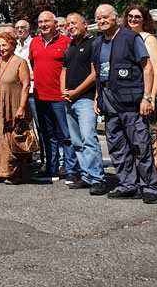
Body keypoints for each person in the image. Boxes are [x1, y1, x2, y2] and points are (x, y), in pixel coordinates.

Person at [93, 5, 157, 204]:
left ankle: (151, 187)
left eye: (105, 17)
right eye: (98, 18)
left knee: (140, 145)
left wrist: (147, 97)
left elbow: (147, 68)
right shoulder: (97, 43)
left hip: (130, 100)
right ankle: (127, 185)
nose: (102, 20)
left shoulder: (131, 38)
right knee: (116, 146)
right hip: (108, 100)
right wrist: (98, 97)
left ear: (115, 18)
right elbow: (99, 73)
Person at [28, 11, 79, 182]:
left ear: (55, 23)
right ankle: (51, 168)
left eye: (46, 21)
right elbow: (34, 66)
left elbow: (71, 68)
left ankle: (71, 170)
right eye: (40, 22)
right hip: (40, 96)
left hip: (59, 96)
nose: (43, 25)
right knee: (46, 134)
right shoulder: (34, 42)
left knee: (66, 135)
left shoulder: (67, 42)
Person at [123, 4, 157, 179]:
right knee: (136, 134)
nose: (133, 20)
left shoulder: (147, 39)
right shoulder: (125, 37)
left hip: (149, 93)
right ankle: (138, 170)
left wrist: (150, 96)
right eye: (130, 16)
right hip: (132, 94)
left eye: (137, 17)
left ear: (144, 20)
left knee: (152, 132)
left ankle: (156, 172)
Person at [60, 13, 106, 195]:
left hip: (85, 99)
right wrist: (64, 90)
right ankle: (86, 175)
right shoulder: (70, 46)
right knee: (77, 141)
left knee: (89, 139)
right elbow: (63, 70)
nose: (70, 27)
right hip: (69, 100)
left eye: (74, 23)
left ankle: (97, 178)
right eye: (68, 24)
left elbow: (95, 74)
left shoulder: (94, 44)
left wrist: (76, 92)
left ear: (85, 24)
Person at [0, 33, 31, 184]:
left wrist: (22, 107)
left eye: (4, 45)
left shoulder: (20, 62)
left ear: (12, 45)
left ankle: (14, 174)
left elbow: (26, 85)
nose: (1, 48)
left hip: (14, 104)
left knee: (12, 138)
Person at [14, 18, 45, 164]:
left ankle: (47, 161)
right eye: (17, 28)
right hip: (18, 92)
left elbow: (37, 68)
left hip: (33, 90)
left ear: (29, 29)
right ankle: (26, 157)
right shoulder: (14, 46)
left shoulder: (35, 43)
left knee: (40, 126)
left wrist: (26, 76)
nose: (20, 30)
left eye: (23, 27)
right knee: (22, 125)